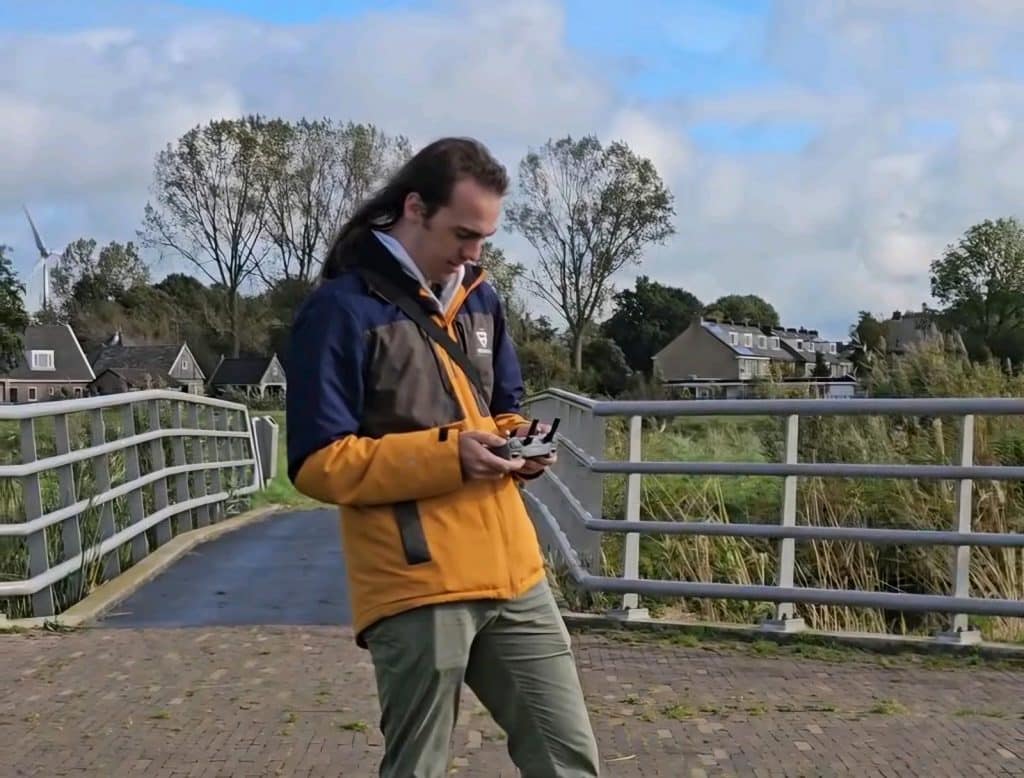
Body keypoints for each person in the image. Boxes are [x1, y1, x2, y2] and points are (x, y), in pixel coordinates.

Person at [285, 137, 601, 777]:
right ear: (413, 209)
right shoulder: (339, 311)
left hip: (514, 569)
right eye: (463, 233)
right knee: (419, 769)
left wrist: (521, 444)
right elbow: (318, 463)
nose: (474, 252)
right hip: (418, 580)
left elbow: (502, 404)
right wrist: (450, 456)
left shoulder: (481, 297)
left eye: (485, 237)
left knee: (569, 761)